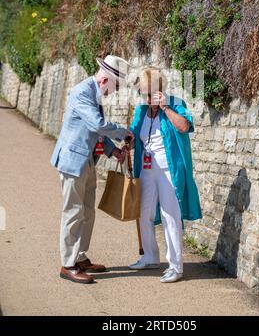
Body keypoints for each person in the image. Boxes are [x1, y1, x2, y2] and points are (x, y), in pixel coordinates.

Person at [50, 55, 134, 284]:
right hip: (73, 162)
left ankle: (79, 256)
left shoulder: (93, 94)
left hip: (86, 160)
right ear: (105, 80)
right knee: (73, 212)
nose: (113, 93)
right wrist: (123, 132)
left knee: (87, 211)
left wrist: (112, 151)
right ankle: (68, 264)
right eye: (115, 88)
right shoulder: (82, 92)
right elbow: (97, 124)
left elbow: (94, 131)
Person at [127, 67, 202, 283]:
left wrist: (165, 107)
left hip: (169, 171)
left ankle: (175, 266)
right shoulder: (141, 110)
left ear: (160, 90)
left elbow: (184, 126)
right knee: (144, 212)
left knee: (171, 216)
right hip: (147, 170)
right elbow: (135, 132)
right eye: (143, 93)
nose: (146, 98)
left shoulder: (175, 103)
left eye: (149, 93)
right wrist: (129, 141)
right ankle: (150, 257)